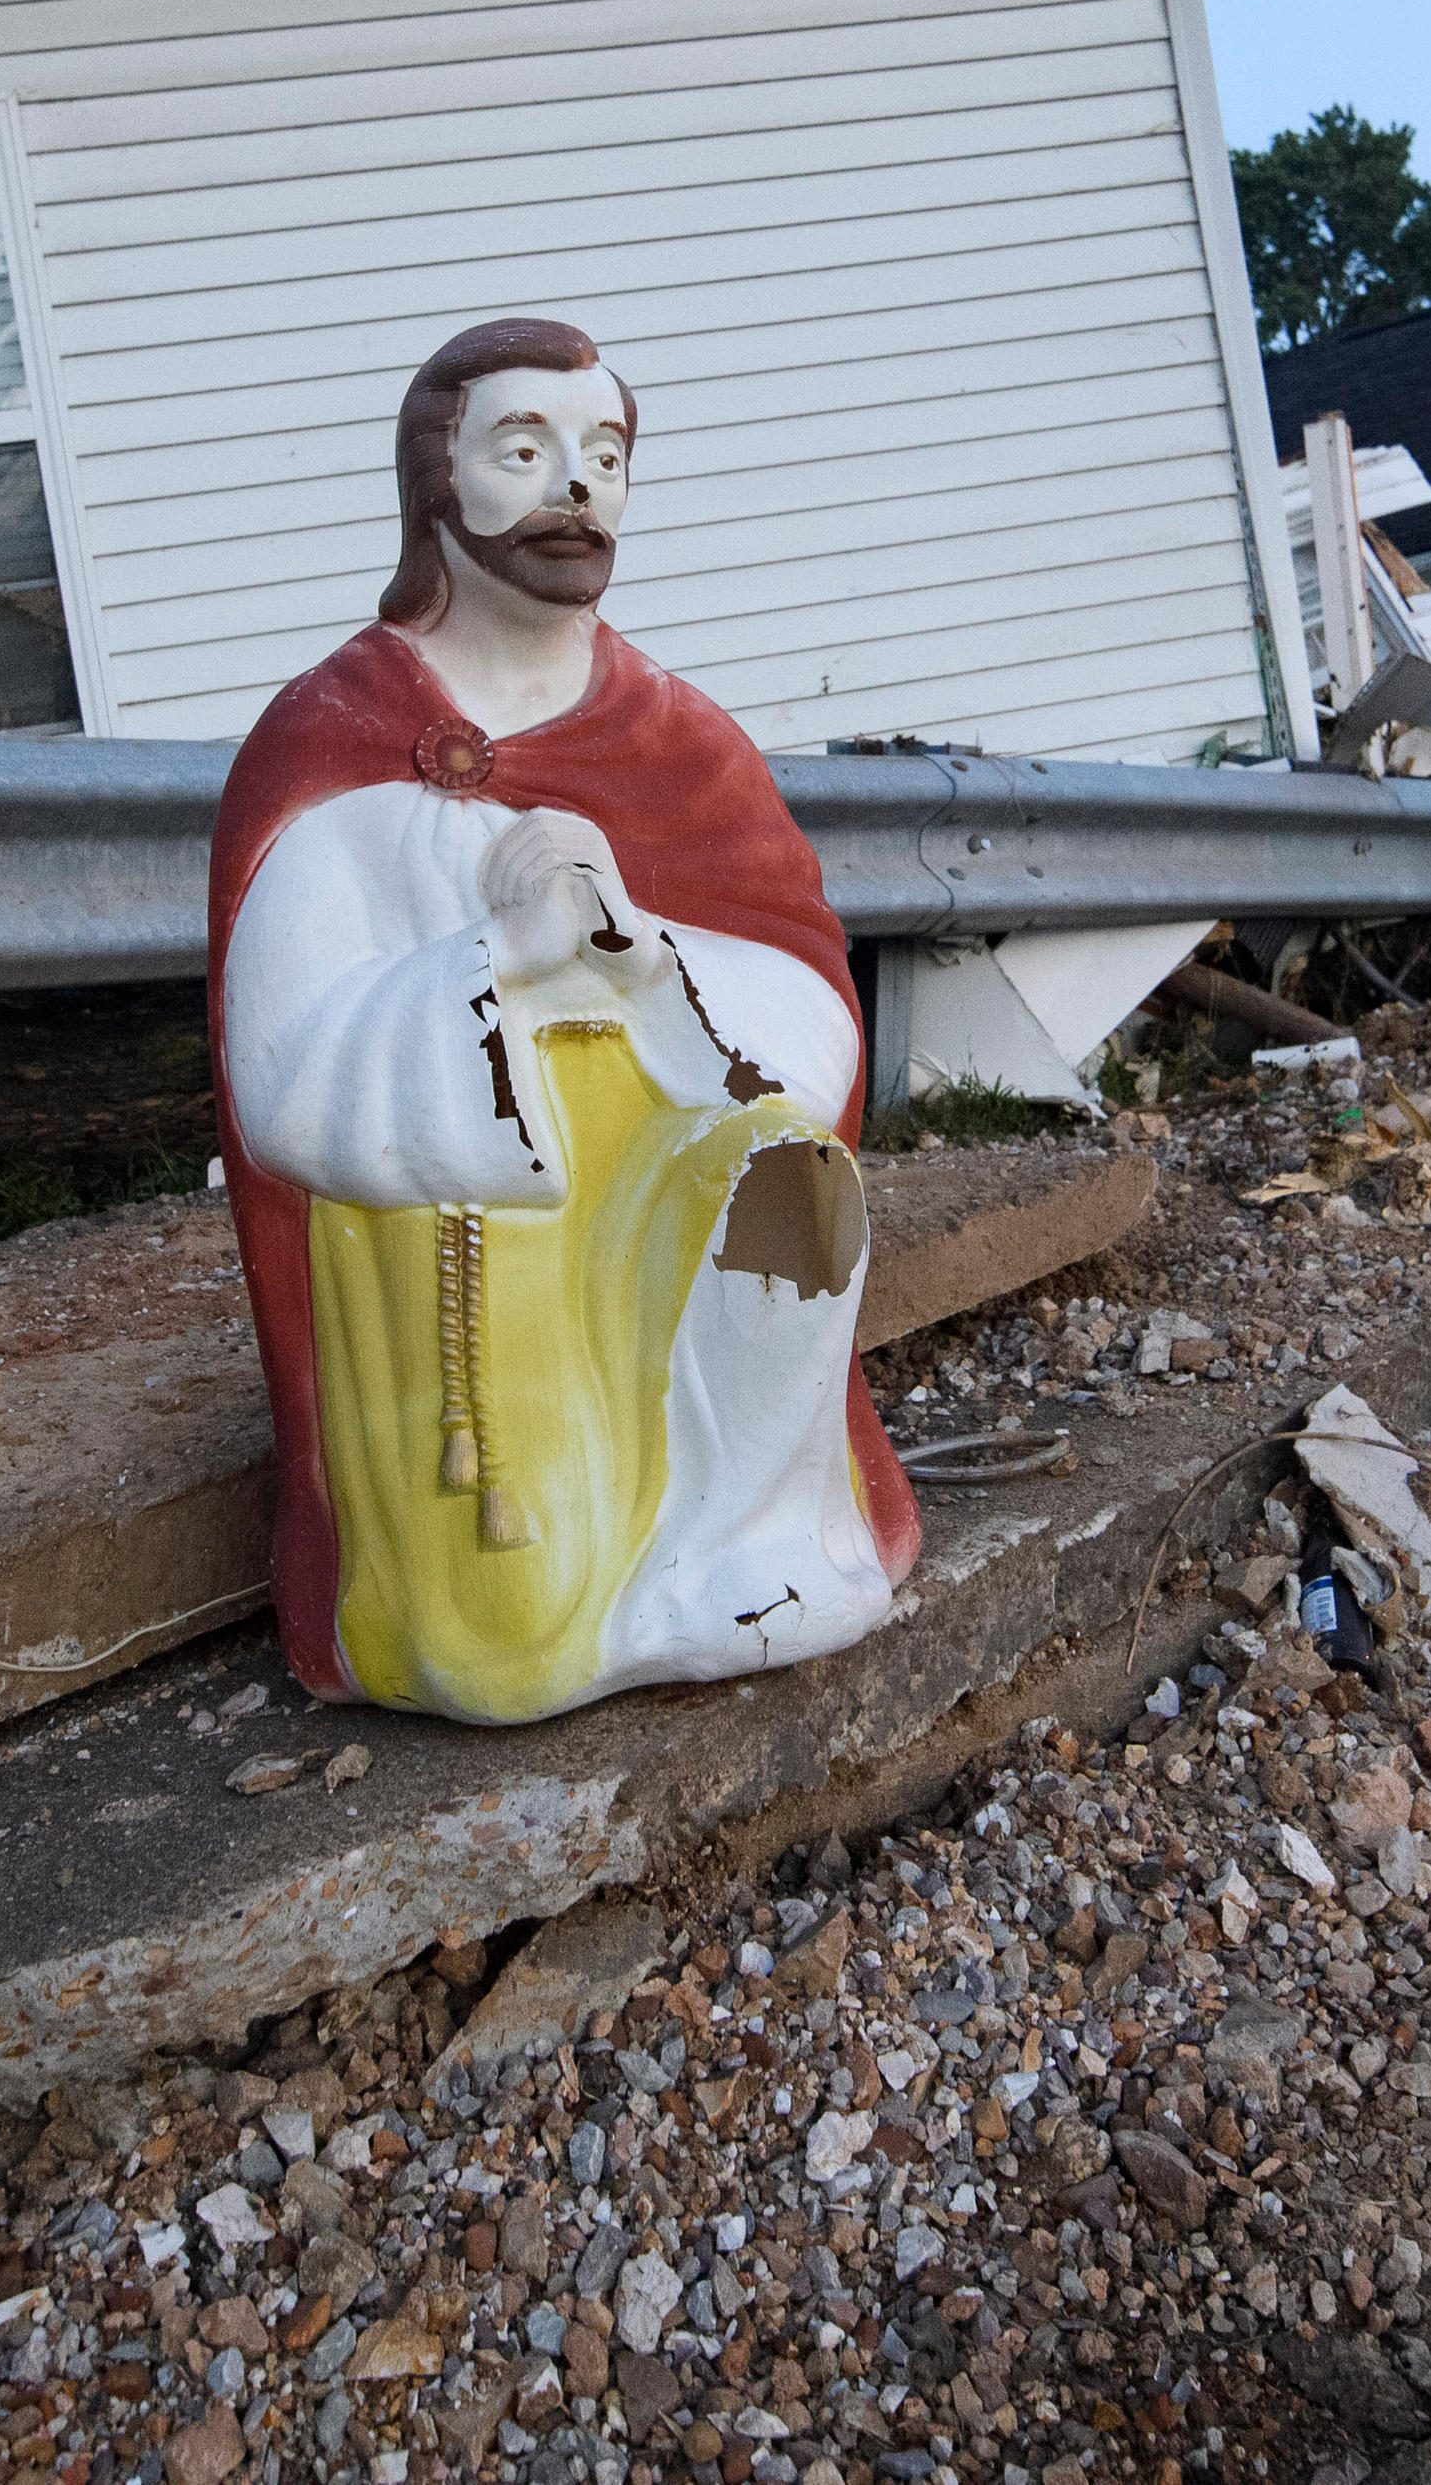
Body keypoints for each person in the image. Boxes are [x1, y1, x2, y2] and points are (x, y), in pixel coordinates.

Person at [203, 318, 919, 1722]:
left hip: (674, 1182)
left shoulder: (681, 744)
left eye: (604, 455)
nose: (575, 487)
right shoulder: (329, 737)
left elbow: (809, 997)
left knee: (797, 1190)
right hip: (459, 1244)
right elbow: (281, 1070)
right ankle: (556, 1594)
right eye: (524, 452)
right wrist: (499, 962)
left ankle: (746, 1539)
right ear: (437, 481)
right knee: (512, 1642)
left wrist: (641, 952)